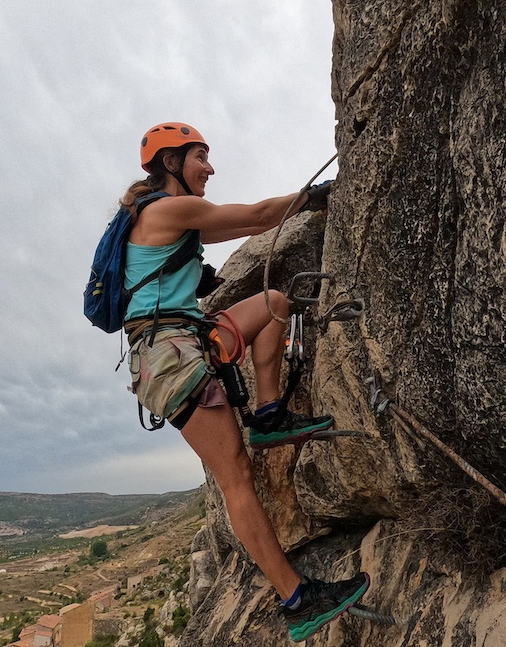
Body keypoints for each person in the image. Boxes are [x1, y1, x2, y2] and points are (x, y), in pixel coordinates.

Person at [120, 122, 369, 642]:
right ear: (171, 164)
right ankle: (297, 599)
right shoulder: (166, 210)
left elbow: (233, 231)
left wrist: (193, 276)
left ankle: (269, 413)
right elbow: (256, 216)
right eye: (199, 158)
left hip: (185, 341)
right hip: (169, 357)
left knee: (274, 303)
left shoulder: (174, 222)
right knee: (236, 477)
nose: (209, 168)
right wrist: (315, 196)